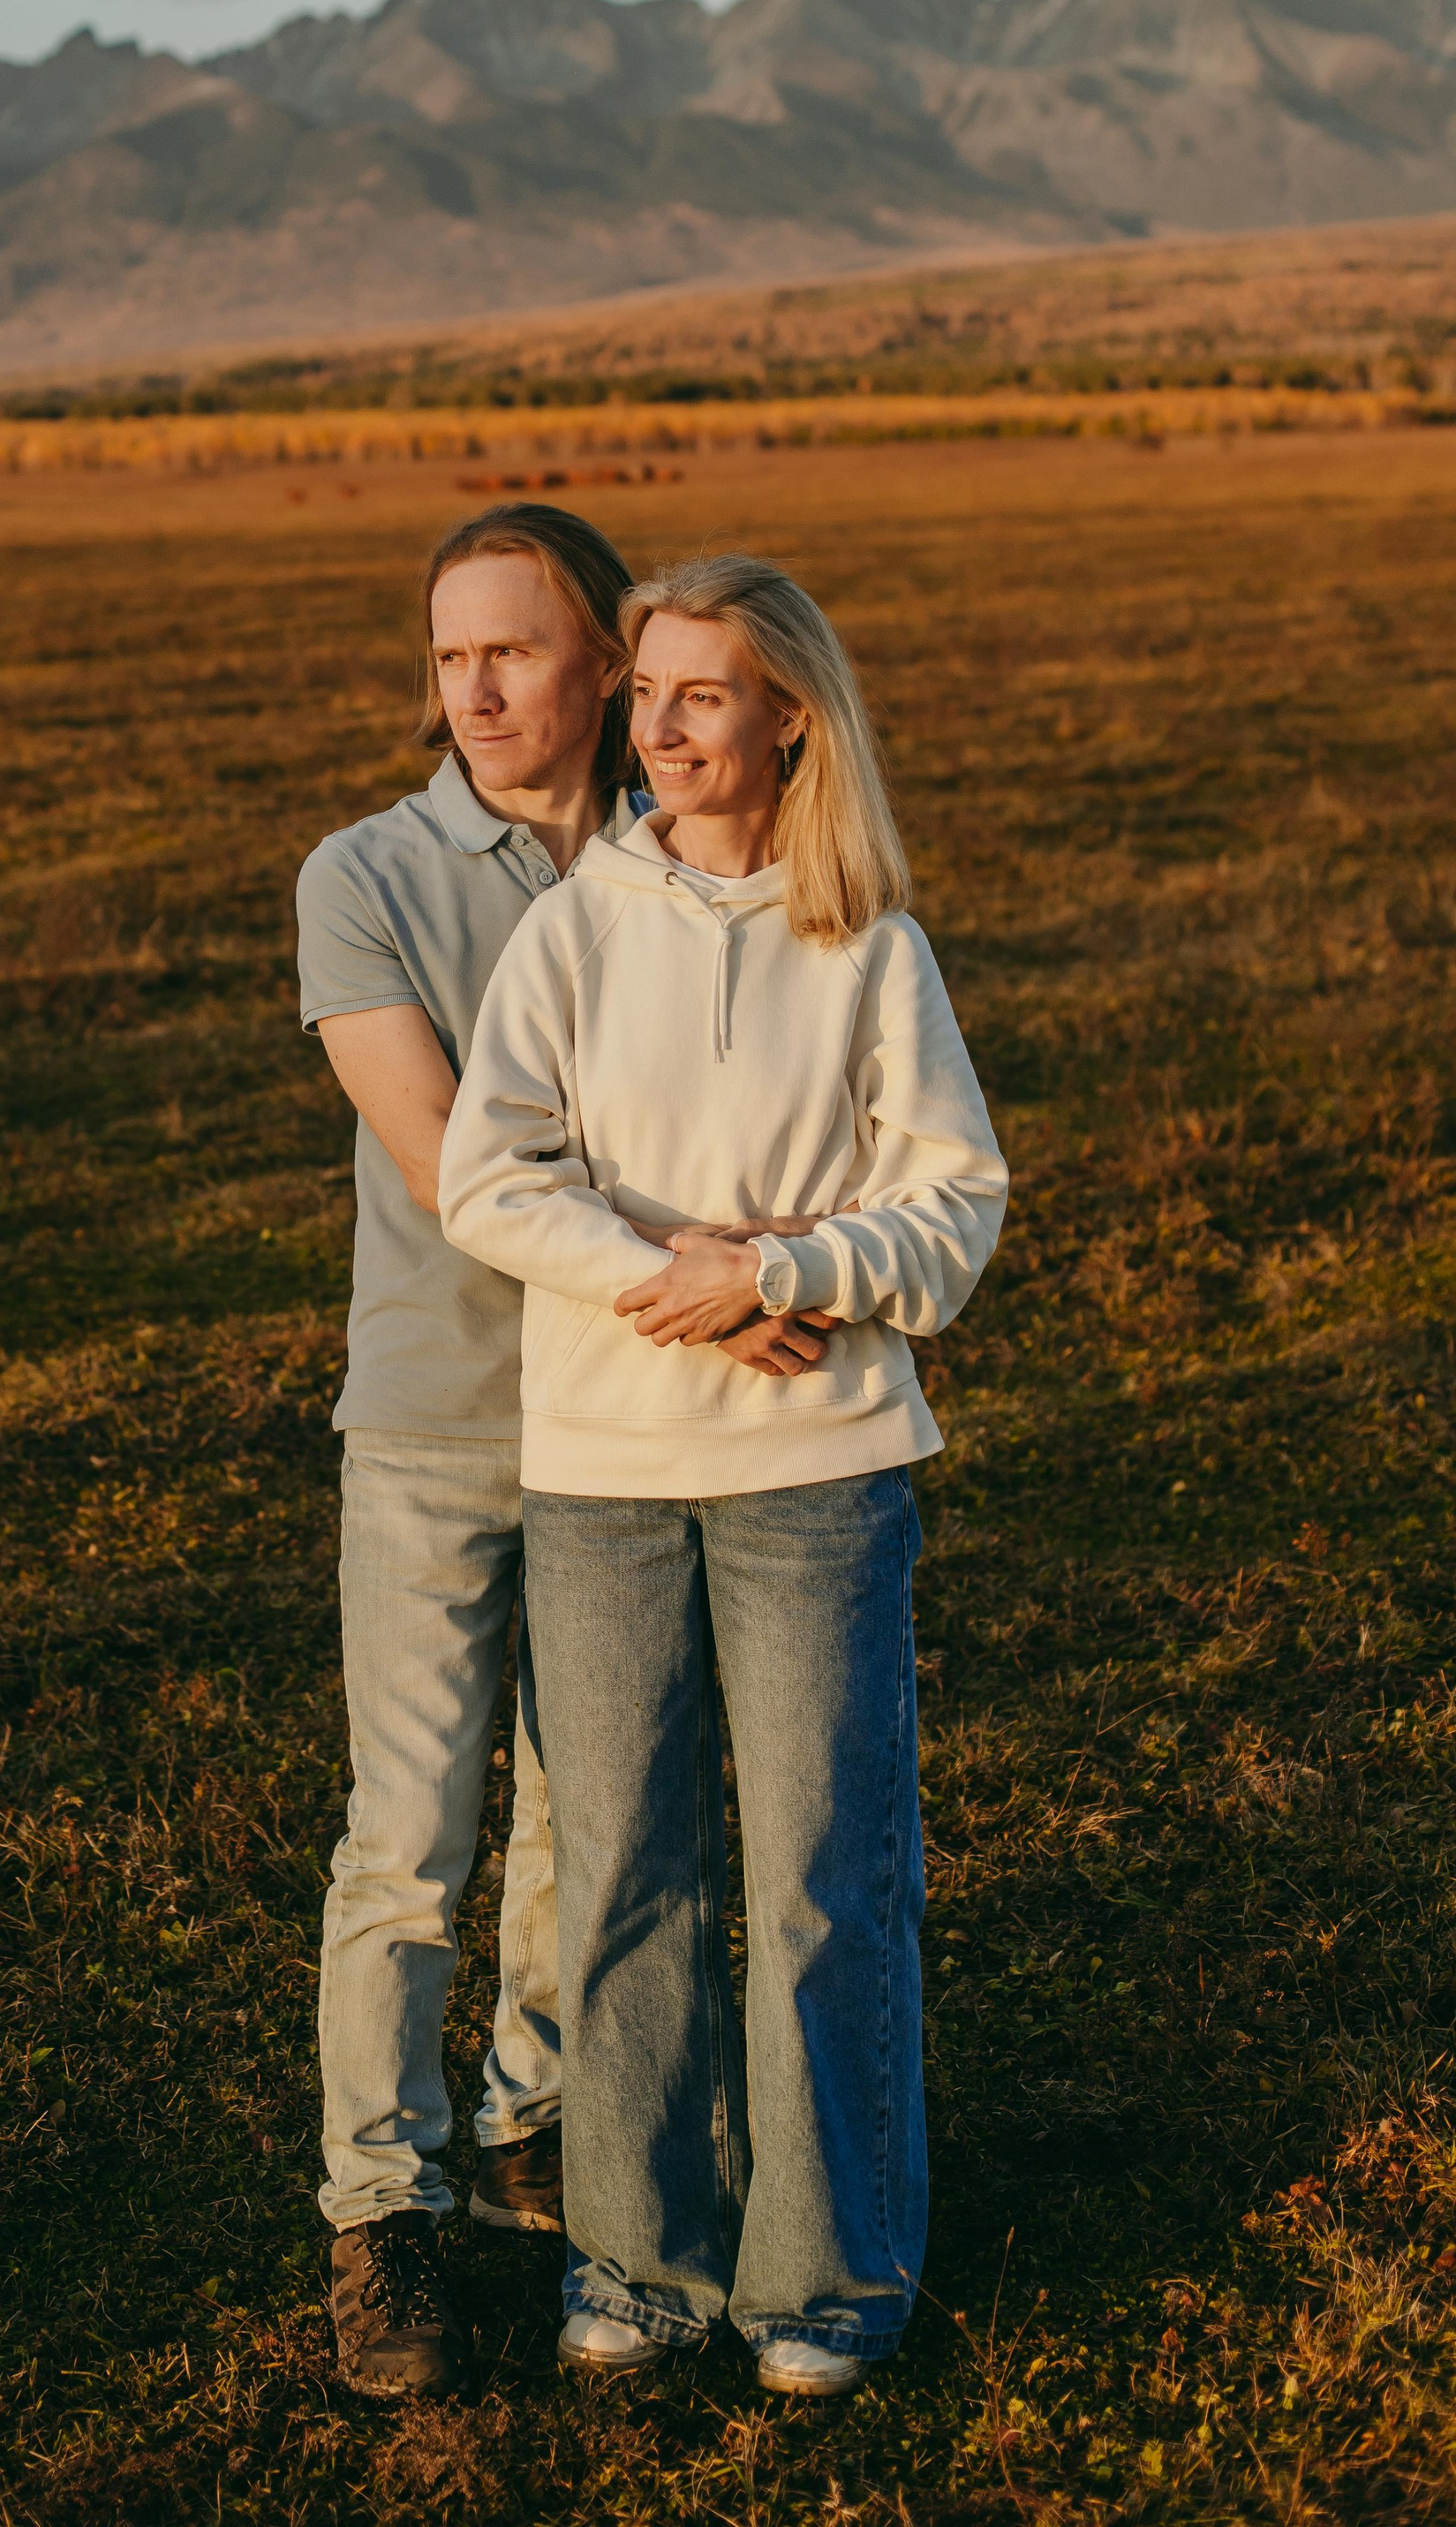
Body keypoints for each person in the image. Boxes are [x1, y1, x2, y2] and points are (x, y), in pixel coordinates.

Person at [437, 550, 1007, 2398]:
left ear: (785, 716)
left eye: (703, 695)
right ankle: (637, 2263)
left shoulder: (871, 948)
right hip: (603, 1469)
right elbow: (488, 1178)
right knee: (618, 1869)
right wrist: (669, 1285)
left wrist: (781, 1274)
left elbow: (953, 1207)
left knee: (827, 1877)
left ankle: (826, 2281)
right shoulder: (572, 929)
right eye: (650, 692)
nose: (662, 728)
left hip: (817, 1468)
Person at [295, 504, 826, 2402]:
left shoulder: (682, 855)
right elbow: (454, 1175)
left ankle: (534, 2123)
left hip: (631, 1429)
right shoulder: (359, 874)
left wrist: (766, 1266)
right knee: (411, 1834)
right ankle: (383, 2216)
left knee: (592, 1817)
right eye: (447, 660)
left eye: (512, 653)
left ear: (608, 665)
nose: (475, 693)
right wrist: (713, 1281)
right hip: (441, 1421)